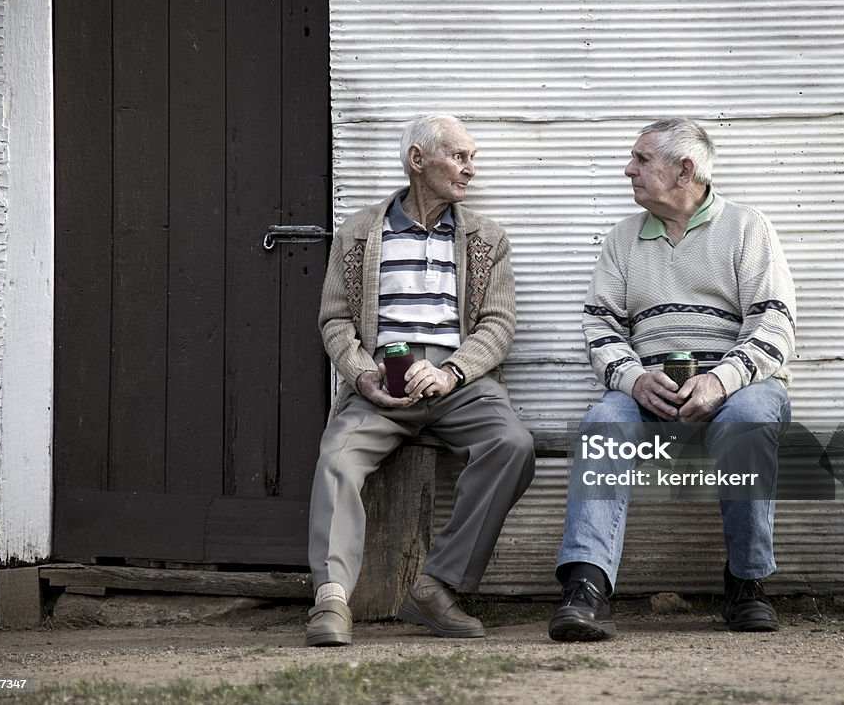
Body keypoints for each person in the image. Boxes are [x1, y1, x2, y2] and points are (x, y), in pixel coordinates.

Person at [549, 118, 796, 640]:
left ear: (684, 170)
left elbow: (775, 324)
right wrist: (634, 379)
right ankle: (586, 588)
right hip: (647, 394)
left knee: (751, 417)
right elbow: (600, 323)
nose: (628, 169)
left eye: (641, 160)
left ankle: (747, 583)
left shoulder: (747, 227)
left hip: (738, 389)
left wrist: (720, 381)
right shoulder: (623, 238)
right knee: (602, 423)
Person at [305, 115, 535, 647]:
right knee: (338, 456)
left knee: (512, 444)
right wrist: (362, 375)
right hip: (383, 379)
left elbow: (498, 325)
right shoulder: (360, 233)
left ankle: (437, 587)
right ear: (417, 160)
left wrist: (453, 371)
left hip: (460, 380)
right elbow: (335, 319)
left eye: (472, 159)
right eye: (459, 157)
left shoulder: (487, 238)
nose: (470, 170)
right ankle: (332, 598)